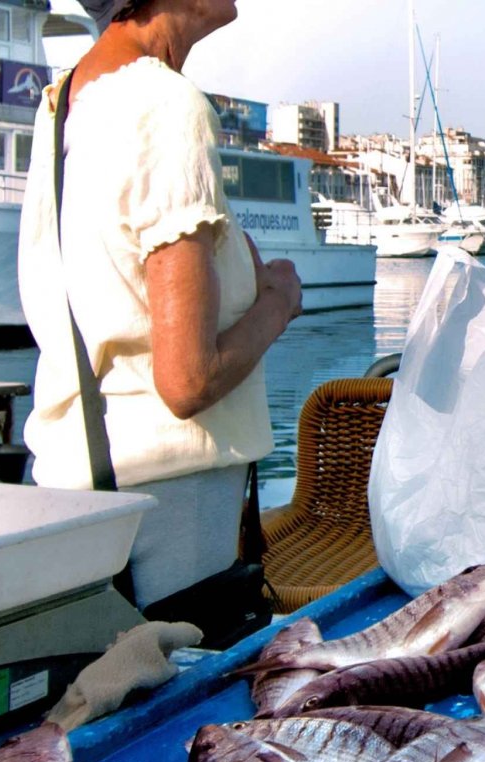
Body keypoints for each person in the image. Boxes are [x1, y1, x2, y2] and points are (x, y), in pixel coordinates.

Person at [18, 0, 301, 606]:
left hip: (83, 491)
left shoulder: (66, 100)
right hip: (171, 505)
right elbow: (187, 380)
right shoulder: (166, 104)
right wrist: (278, 303)